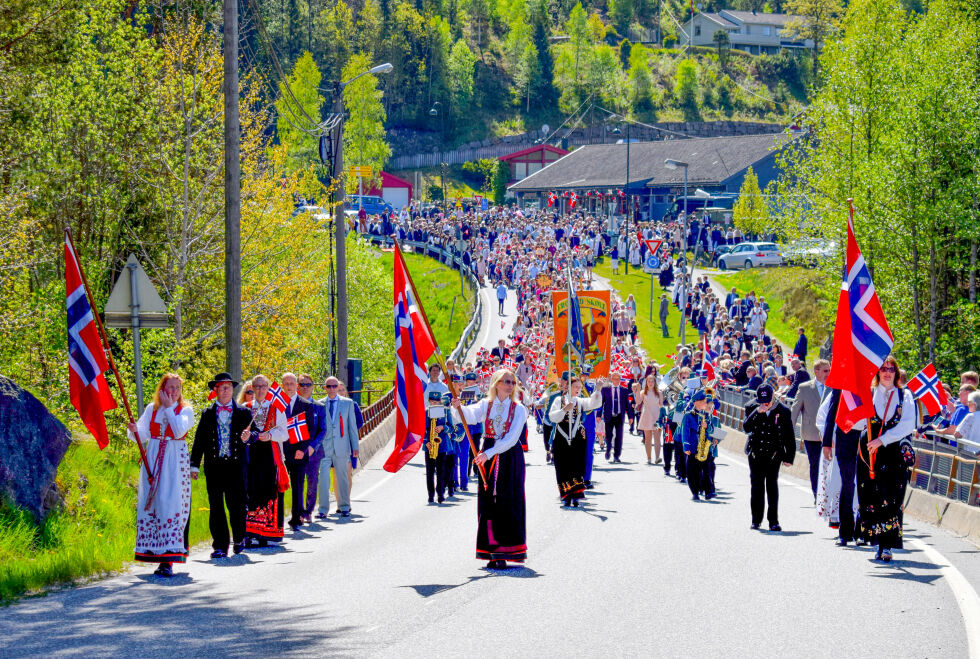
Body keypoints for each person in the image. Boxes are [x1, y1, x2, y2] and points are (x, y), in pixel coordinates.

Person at [452, 369, 528, 569]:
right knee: (489, 502)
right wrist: (457, 406)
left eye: (513, 382)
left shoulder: (519, 409)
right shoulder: (486, 404)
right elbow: (468, 416)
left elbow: (512, 439)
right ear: (496, 383)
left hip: (508, 456)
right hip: (488, 453)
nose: (510, 385)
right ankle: (491, 549)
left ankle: (506, 550)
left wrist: (490, 453)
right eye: (506, 381)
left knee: (507, 500)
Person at [126, 373, 195, 577]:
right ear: (162, 389)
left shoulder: (186, 411)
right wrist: (134, 431)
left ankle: (169, 559)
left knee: (170, 502)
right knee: (153, 502)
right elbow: (144, 433)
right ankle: (154, 552)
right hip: (155, 457)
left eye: (176, 388)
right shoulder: (151, 408)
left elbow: (177, 429)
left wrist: (169, 407)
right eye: (169, 388)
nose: (173, 392)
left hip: (174, 460)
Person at [855, 356, 915, 562]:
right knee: (871, 496)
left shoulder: (904, 395)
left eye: (891, 369)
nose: (887, 372)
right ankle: (877, 542)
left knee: (892, 497)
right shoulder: (868, 393)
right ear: (877, 372)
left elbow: (907, 425)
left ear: (896, 373)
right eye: (883, 369)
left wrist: (883, 439)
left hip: (894, 452)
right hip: (870, 452)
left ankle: (887, 544)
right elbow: (856, 420)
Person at [190, 372, 253, 559]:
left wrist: (249, 437)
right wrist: (194, 464)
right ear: (215, 390)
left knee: (237, 505)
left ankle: (239, 538)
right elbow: (199, 440)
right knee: (216, 506)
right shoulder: (207, 413)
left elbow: (255, 434)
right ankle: (220, 545)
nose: (225, 390)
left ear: (233, 389)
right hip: (214, 466)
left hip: (236, 466)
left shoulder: (243, 412)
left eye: (228, 387)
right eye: (221, 387)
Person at [242, 374, 288, 546]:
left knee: (270, 491)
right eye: (257, 386)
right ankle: (251, 532)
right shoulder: (245, 408)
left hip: (270, 454)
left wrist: (269, 435)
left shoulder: (276, 408)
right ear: (252, 388)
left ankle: (269, 533)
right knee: (251, 491)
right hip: (251, 456)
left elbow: (284, 433)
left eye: (263, 386)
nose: (260, 390)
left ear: (268, 388)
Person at [743, 384, 796, 532]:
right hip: (756, 452)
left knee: (772, 486)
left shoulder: (783, 410)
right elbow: (746, 428)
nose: (765, 404)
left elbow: (789, 436)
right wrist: (756, 413)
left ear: (773, 396)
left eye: (767, 400)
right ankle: (756, 520)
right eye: (762, 401)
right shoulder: (751, 407)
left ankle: (773, 520)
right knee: (756, 486)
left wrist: (789, 457)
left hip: (774, 454)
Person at [549, 375, 603, 507]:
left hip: (577, 437)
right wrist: (564, 410)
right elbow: (552, 417)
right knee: (563, 465)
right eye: (575, 387)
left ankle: (576, 495)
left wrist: (598, 389)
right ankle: (566, 494)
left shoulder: (580, 401)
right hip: (561, 436)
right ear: (568, 387)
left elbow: (594, 403)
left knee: (577, 465)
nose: (578, 389)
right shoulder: (559, 400)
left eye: (579, 387)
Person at [317, 376, 361, 518]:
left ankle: (344, 506)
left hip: (342, 447)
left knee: (342, 477)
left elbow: (352, 428)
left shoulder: (348, 404)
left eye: (334, 386)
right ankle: (323, 509)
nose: (332, 389)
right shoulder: (319, 404)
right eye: (328, 386)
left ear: (338, 387)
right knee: (323, 478)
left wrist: (355, 446)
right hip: (324, 448)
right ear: (325, 388)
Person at [791, 359, 831, 500]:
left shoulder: (835, 387)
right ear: (816, 371)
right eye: (825, 371)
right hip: (811, 435)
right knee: (815, 465)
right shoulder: (805, 388)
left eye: (829, 370)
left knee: (829, 466)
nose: (828, 373)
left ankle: (828, 493)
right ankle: (817, 494)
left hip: (830, 436)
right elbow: (794, 410)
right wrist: (789, 433)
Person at [680, 388, 721, 501]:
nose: (705, 403)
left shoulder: (706, 416)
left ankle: (708, 492)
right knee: (692, 471)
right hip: (693, 447)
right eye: (702, 401)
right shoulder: (688, 415)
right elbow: (685, 431)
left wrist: (707, 427)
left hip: (704, 447)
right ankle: (695, 492)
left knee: (707, 470)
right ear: (696, 403)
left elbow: (712, 430)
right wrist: (686, 446)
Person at [423, 391, 459, 504]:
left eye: (437, 401)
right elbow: (421, 430)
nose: (434, 404)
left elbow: (451, 428)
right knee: (429, 472)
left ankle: (440, 494)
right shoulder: (425, 412)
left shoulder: (446, 411)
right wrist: (425, 442)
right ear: (429, 401)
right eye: (432, 402)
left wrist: (442, 427)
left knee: (441, 471)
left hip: (442, 445)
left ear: (440, 401)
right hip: (429, 445)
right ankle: (430, 495)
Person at [601, 372, 630, 463]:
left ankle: (616, 455)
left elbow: (627, 404)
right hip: (609, 416)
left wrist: (630, 417)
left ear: (620, 380)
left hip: (619, 416)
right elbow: (601, 403)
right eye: (614, 378)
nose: (616, 380)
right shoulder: (605, 389)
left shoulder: (624, 390)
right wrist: (598, 415)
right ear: (611, 379)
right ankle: (608, 449)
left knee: (619, 437)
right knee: (609, 436)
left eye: (618, 379)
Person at [636, 373, 664, 466]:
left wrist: (662, 417)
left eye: (652, 381)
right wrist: (638, 390)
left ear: (655, 382)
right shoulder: (643, 392)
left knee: (657, 438)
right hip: (646, 416)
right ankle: (649, 458)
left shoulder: (659, 392)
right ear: (646, 382)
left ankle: (657, 457)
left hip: (656, 416)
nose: (650, 383)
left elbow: (661, 405)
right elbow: (638, 402)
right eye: (649, 381)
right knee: (647, 439)